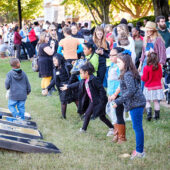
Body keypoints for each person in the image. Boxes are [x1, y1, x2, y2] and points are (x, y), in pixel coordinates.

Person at [61, 62, 114, 135]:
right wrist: (68, 86)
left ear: (87, 72)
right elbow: (77, 84)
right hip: (93, 101)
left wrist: (101, 102)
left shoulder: (94, 79)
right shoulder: (84, 80)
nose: (80, 75)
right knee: (87, 114)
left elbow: (102, 90)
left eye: (81, 73)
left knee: (102, 117)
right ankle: (83, 129)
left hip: (99, 101)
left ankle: (112, 128)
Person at [113, 51, 146, 159]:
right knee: (137, 127)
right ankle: (140, 148)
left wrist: (118, 101)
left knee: (137, 128)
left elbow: (131, 91)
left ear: (125, 62)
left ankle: (140, 152)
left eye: (118, 62)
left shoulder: (127, 74)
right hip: (136, 103)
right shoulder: (129, 72)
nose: (117, 64)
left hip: (136, 103)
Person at [43, 54, 78, 119]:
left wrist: (68, 85)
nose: (54, 62)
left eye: (55, 61)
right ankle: (63, 116)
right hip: (62, 86)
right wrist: (48, 88)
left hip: (70, 84)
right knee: (63, 101)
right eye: (53, 61)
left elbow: (73, 76)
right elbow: (54, 80)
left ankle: (82, 113)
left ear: (59, 59)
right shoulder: (55, 69)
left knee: (75, 99)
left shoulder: (67, 65)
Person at [138, 21, 167, 90]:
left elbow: (162, 53)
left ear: (153, 31)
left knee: (153, 83)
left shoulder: (158, 40)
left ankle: (154, 99)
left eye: (149, 31)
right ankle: (144, 99)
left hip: (154, 64)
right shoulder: (146, 39)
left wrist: (161, 65)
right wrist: (140, 64)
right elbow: (143, 53)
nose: (147, 32)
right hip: (145, 63)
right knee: (143, 82)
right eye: (146, 31)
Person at [107, 47, 126, 141]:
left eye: (112, 55)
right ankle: (116, 133)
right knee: (111, 113)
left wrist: (115, 94)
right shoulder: (112, 65)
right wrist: (109, 93)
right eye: (109, 55)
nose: (110, 57)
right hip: (111, 94)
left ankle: (121, 137)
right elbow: (110, 80)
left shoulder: (120, 66)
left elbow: (121, 82)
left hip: (118, 94)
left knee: (118, 114)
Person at [141, 52, 164, 121]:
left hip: (148, 87)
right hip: (157, 86)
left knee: (147, 101)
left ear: (148, 58)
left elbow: (144, 78)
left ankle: (149, 114)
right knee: (156, 101)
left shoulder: (146, 67)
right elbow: (160, 76)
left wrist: (141, 76)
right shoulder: (159, 66)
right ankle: (156, 116)